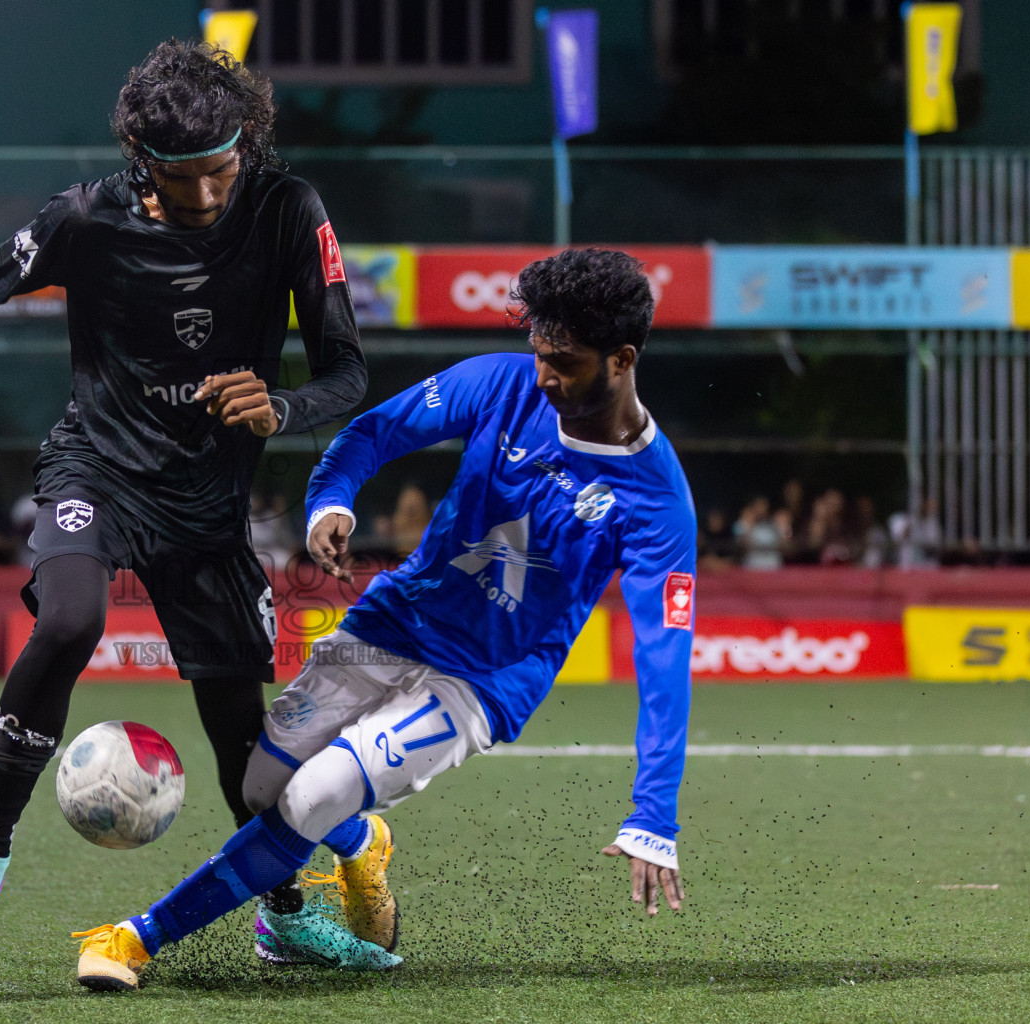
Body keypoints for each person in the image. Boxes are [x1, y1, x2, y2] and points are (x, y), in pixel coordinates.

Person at [0, 39, 366, 926]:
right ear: (145, 165)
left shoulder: (289, 209)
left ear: (246, 143)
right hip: (97, 470)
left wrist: (283, 409)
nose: (211, 196)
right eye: (189, 180)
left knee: (240, 739)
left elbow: (347, 372)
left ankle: (286, 918)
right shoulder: (85, 218)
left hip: (208, 508)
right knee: (69, 619)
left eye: (224, 170)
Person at [72, 248, 696, 991]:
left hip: (482, 680)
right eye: (538, 352)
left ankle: (137, 938)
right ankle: (363, 845)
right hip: (393, 621)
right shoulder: (501, 381)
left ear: (622, 359)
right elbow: (369, 435)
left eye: (563, 361)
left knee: (314, 794)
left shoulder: (657, 503)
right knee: (263, 784)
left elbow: (666, 659)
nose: (543, 376)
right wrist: (331, 503)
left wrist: (652, 813)